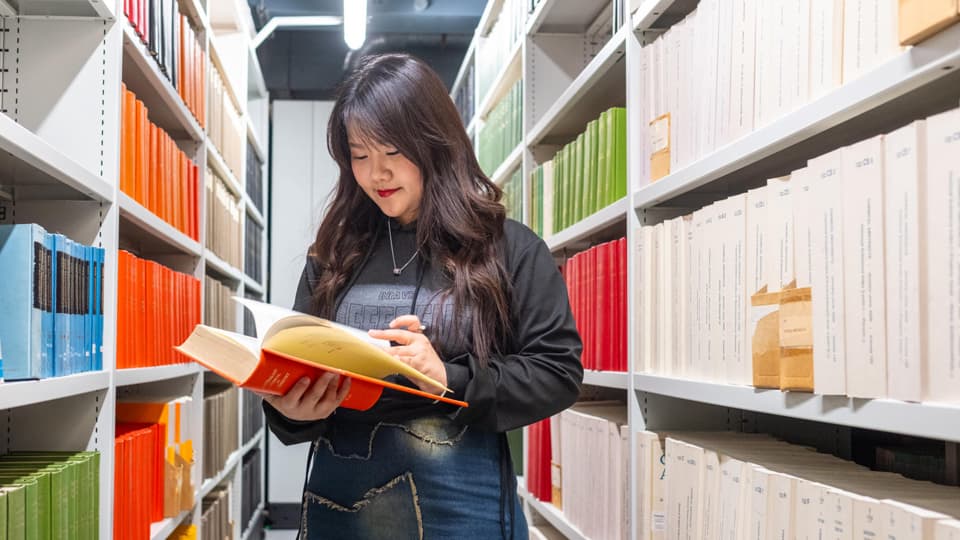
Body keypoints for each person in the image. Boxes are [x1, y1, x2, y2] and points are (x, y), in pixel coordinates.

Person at [261, 52, 583, 540]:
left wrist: (448, 378)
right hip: (341, 501)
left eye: (392, 152)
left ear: (434, 143)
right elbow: (298, 366)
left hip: (461, 505)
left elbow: (557, 372)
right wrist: (290, 408)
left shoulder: (506, 248)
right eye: (360, 155)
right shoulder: (334, 254)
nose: (376, 175)